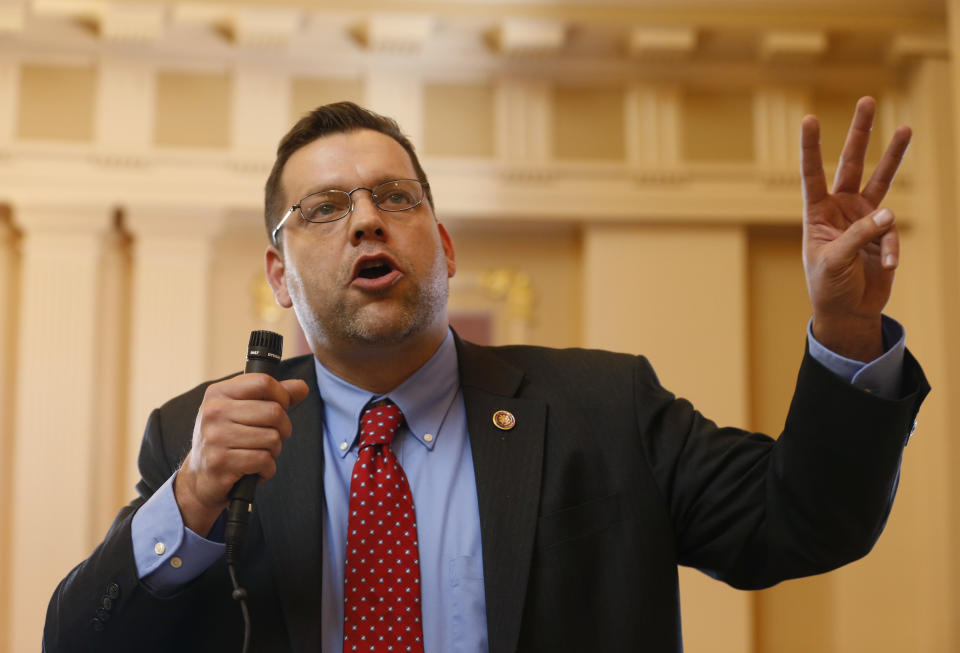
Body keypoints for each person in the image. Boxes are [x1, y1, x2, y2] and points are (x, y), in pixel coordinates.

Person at [44, 99, 928, 653]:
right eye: (322, 209)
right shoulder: (195, 439)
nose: (365, 223)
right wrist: (192, 497)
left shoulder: (607, 407)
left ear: (446, 245)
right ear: (277, 277)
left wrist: (846, 327)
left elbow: (807, 522)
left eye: (395, 197)